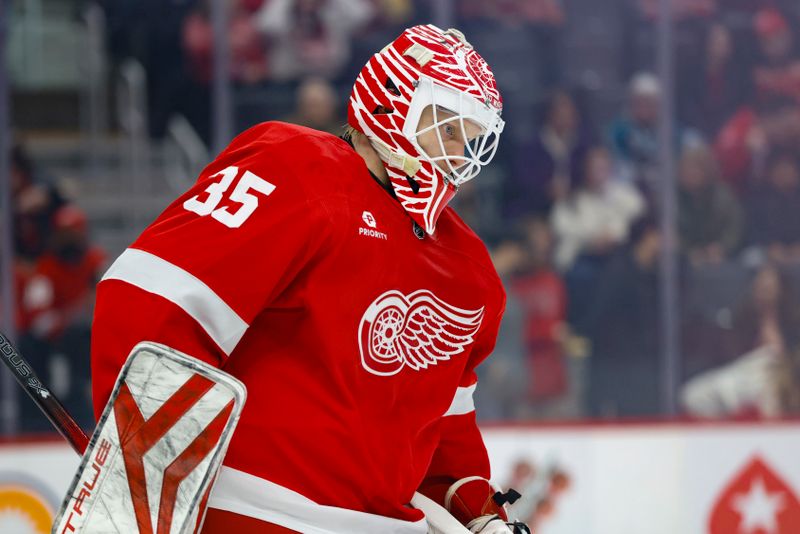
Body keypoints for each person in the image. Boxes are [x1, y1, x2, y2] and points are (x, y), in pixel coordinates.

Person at [90, 24, 528, 534]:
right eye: (448, 128)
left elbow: (444, 436)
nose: (458, 155)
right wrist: (141, 468)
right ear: (394, 102)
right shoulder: (296, 170)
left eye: (470, 139)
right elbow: (156, 301)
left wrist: (479, 514)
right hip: (255, 513)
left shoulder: (467, 268)